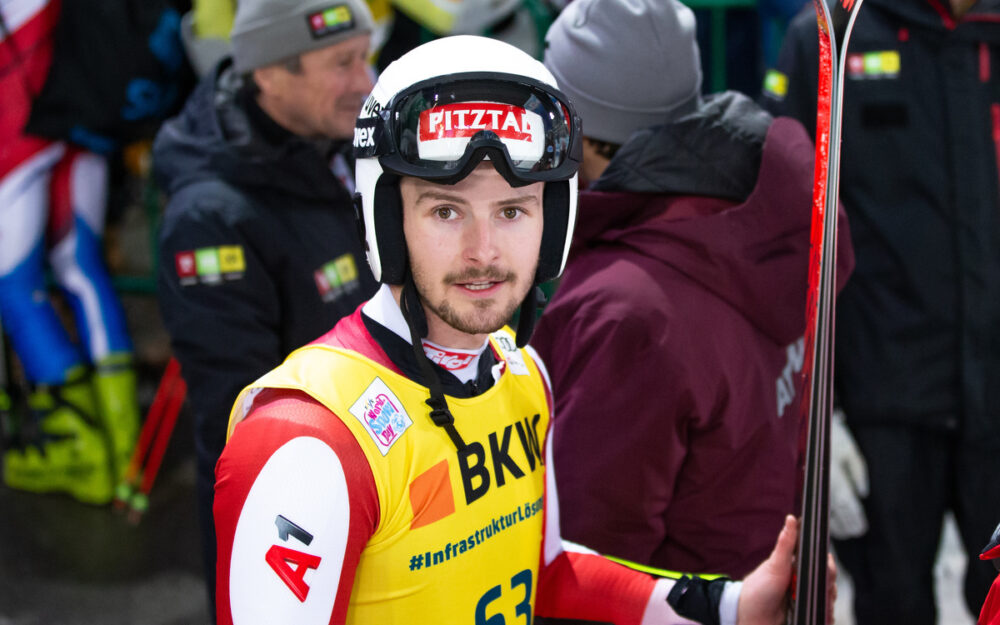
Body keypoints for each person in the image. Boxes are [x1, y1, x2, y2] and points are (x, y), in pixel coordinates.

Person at [212, 33, 837, 625]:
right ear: (385, 221)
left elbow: (547, 572)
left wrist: (730, 608)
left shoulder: (519, 374)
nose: (484, 251)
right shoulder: (308, 443)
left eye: (513, 209)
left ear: (553, 222)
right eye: (446, 210)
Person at [529, 0, 854, 581]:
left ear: (581, 135)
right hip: (753, 588)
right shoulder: (759, 213)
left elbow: (588, 562)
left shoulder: (625, 310)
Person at [761, 0, 1000, 623]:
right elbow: (782, 232)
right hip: (882, 402)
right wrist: (812, 411)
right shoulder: (830, 37)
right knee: (893, 602)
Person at [153, 0, 379, 613]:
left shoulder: (329, 145)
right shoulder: (211, 217)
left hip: (377, 481)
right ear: (269, 75)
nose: (366, 82)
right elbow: (243, 427)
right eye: (342, 63)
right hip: (294, 523)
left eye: (365, 57)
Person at [0, 0, 141, 505]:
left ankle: (80, 447)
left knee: (15, 288)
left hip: (15, 129)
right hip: (82, 115)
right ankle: (127, 448)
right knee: (81, 271)